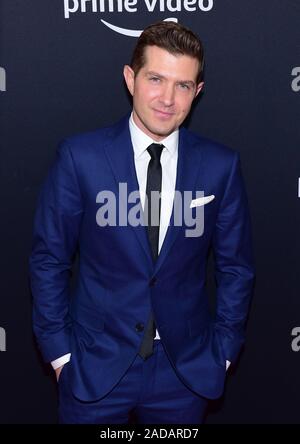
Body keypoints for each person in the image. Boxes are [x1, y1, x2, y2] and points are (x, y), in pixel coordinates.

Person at [29, 21, 255, 424]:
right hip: (94, 367)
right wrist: (61, 355)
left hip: (184, 373)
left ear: (197, 91)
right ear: (130, 78)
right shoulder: (81, 158)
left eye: (183, 85)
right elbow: (48, 260)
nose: (168, 98)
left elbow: (236, 268)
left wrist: (221, 353)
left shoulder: (221, 166)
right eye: (156, 79)